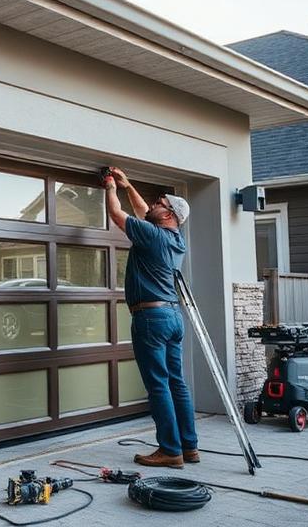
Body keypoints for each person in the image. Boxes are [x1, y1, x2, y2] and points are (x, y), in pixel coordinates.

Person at [103, 167, 199, 469]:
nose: (154, 204)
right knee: (176, 382)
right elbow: (143, 210)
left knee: (158, 384)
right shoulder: (175, 239)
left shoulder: (153, 236)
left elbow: (117, 214)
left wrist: (110, 187)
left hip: (151, 318)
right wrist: (128, 185)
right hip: (172, 316)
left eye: (160, 203)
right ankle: (189, 447)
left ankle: (170, 450)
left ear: (169, 215)